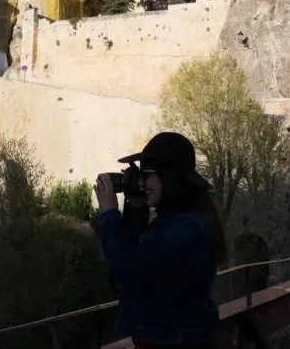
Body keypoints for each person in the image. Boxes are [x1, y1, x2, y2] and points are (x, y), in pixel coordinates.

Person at [94, 132, 229, 348]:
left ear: (168, 175)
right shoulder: (180, 221)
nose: (141, 182)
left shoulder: (186, 229)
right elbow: (136, 251)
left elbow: (126, 268)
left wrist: (110, 214)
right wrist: (135, 208)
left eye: (146, 174)